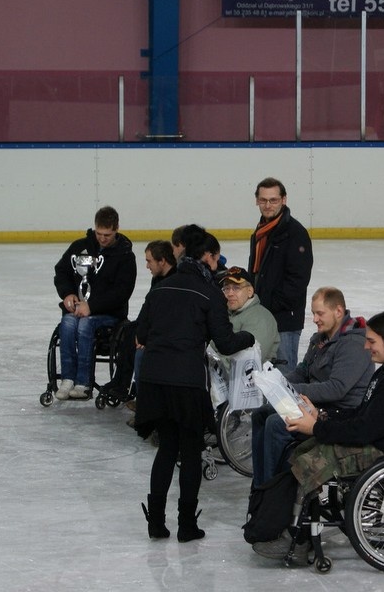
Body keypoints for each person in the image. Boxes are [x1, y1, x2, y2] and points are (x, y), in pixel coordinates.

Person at [252, 310, 384, 561]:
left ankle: (299, 537)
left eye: (371, 341)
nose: (366, 346)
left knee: (311, 459)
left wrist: (315, 428)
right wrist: (321, 417)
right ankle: (291, 521)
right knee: (306, 448)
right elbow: (362, 415)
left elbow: (364, 430)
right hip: (383, 441)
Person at [134, 224, 255, 542]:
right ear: (208, 256)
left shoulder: (161, 286)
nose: (218, 267)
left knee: (165, 450)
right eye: (216, 260)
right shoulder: (209, 292)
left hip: (153, 379)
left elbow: (142, 334)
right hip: (186, 381)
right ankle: (186, 525)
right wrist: (249, 335)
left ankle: (156, 523)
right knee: (189, 451)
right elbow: (227, 342)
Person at [250, 287, 374, 488]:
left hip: (339, 412)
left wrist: (293, 390)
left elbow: (337, 388)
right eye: (313, 313)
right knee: (261, 414)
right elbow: (302, 371)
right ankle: (260, 485)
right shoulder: (320, 339)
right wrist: (276, 383)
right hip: (310, 404)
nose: (314, 319)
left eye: (319, 313)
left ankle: (272, 490)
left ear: (338, 312)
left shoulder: (353, 344)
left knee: (276, 424)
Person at [53, 206, 137, 400]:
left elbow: (122, 292)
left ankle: (83, 382)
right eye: (99, 233)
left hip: (109, 314)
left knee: (85, 324)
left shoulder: (125, 256)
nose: (102, 238)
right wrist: (68, 294)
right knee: (67, 322)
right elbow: (62, 271)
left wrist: (92, 307)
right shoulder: (79, 247)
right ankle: (67, 379)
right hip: (79, 309)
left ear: (116, 229)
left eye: (107, 234)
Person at [248, 177, 313, 372]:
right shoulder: (261, 231)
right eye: (263, 200)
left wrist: (267, 304)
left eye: (273, 200)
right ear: (257, 201)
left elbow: (297, 282)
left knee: (283, 378)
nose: (268, 205)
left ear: (284, 200)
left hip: (284, 320)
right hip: (264, 316)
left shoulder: (295, 233)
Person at [102, 239, 177, 406]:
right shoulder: (158, 279)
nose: (147, 266)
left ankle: (132, 389)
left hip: (165, 330)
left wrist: (146, 334)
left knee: (137, 339)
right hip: (152, 323)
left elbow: (167, 314)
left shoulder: (174, 280)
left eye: (149, 261)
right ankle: (121, 382)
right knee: (129, 331)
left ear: (162, 261)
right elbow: (148, 307)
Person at [213, 266, 280, 375]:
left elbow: (245, 363)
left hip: (249, 386)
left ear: (249, 291)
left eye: (236, 288)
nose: (230, 294)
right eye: (226, 288)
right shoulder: (224, 313)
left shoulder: (260, 318)